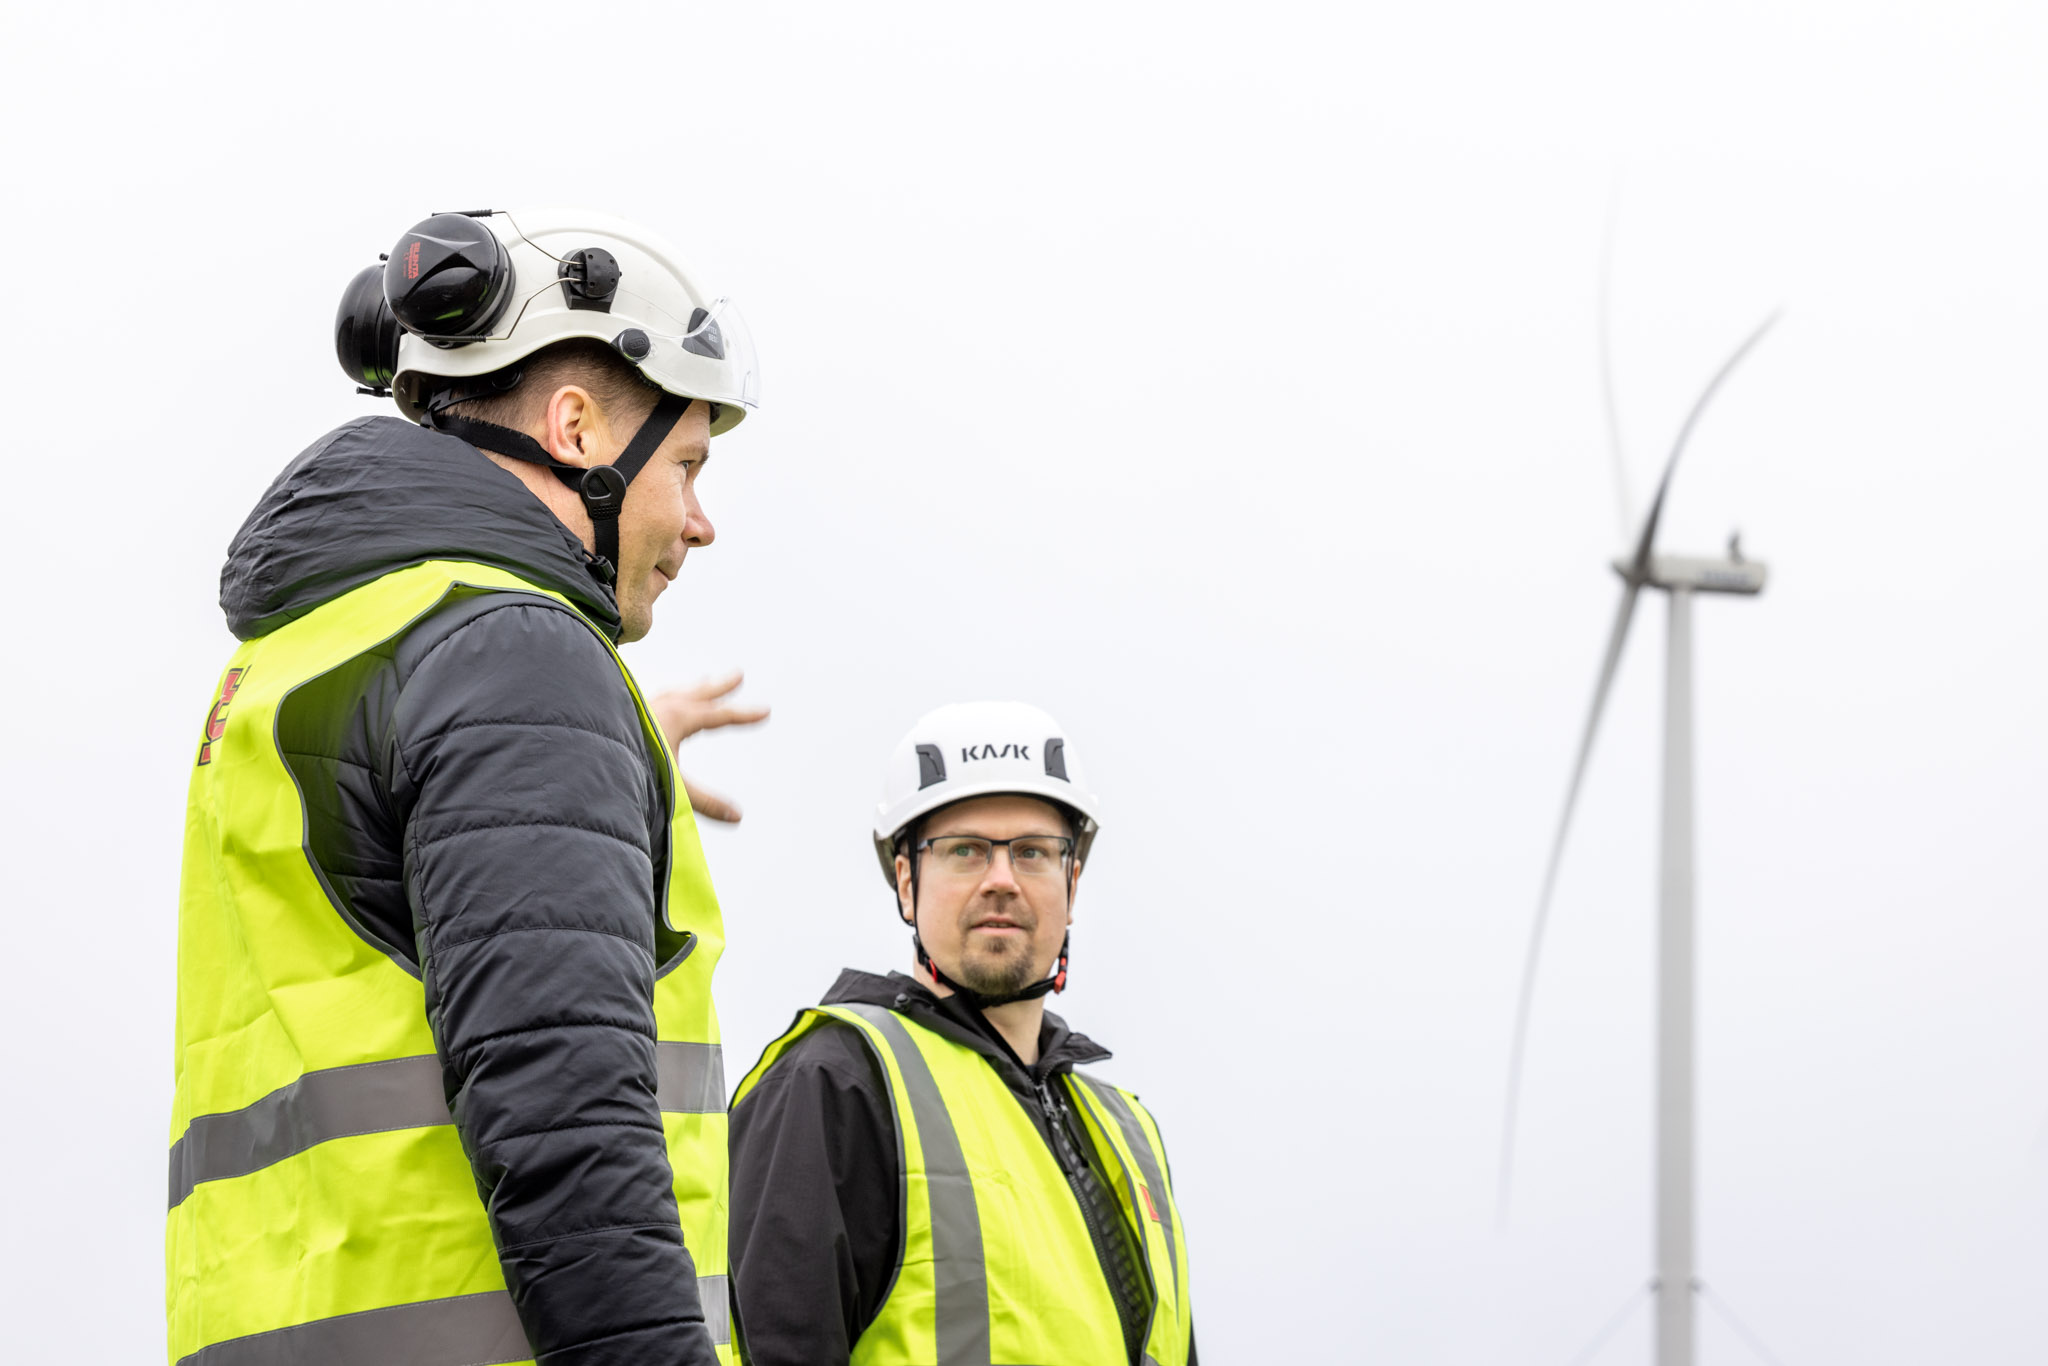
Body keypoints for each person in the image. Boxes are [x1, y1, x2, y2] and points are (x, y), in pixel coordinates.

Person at [168, 210, 762, 1366]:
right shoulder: (513, 658)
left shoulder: (308, 649)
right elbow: (564, 1123)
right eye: (686, 464)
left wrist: (602, 778)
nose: (697, 522)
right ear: (577, 427)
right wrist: (558, 733)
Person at [729, 702, 1196, 1365]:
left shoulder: (1131, 1135)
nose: (1002, 880)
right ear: (906, 880)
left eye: (1033, 852)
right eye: (965, 851)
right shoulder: (836, 1083)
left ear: (1073, 881)